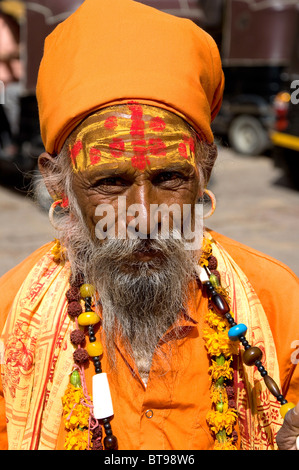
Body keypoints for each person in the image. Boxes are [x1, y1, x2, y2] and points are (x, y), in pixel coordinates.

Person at [0, 0, 298, 451]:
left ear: (205, 171)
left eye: (169, 177)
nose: (143, 213)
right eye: (110, 181)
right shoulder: (9, 315)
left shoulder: (279, 302)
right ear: (57, 182)